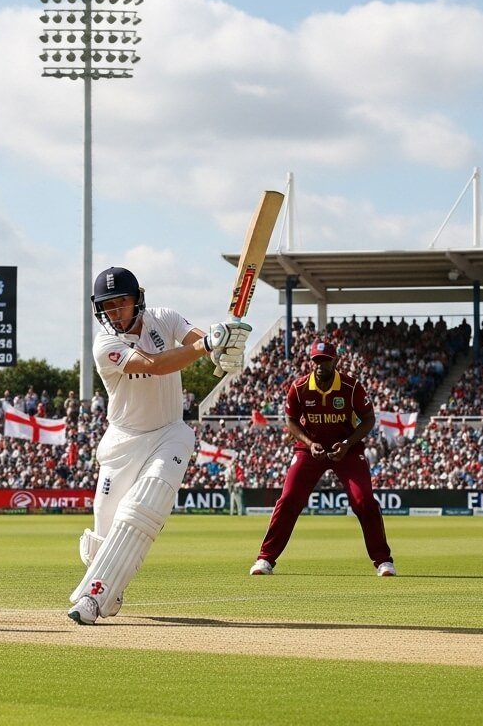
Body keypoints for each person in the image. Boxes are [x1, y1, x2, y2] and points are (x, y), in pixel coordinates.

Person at [67, 266, 250, 624]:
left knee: (140, 508)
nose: (115, 312)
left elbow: (200, 341)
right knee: (102, 535)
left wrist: (223, 347)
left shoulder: (164, 318)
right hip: (122, 442)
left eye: (121, 302)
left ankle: (92, 597)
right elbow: (155, 365)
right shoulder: (105, 345)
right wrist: (207, 345)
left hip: (170, 433)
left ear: (138, 299)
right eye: (107, 306)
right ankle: (110, 587)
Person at [250, 339, 395, 577]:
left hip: (348, 450)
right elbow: (291, 420)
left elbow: (369, 419)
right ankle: (265, 559)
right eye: (316, 361)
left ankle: (383, 561)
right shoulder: (299, 387)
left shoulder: (351, 387)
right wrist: (310, 443)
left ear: (335, 361)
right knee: (289, 499)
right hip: (310, 450)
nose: (320, 365)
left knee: (364, 501)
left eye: (325, 361)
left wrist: (347, 444)